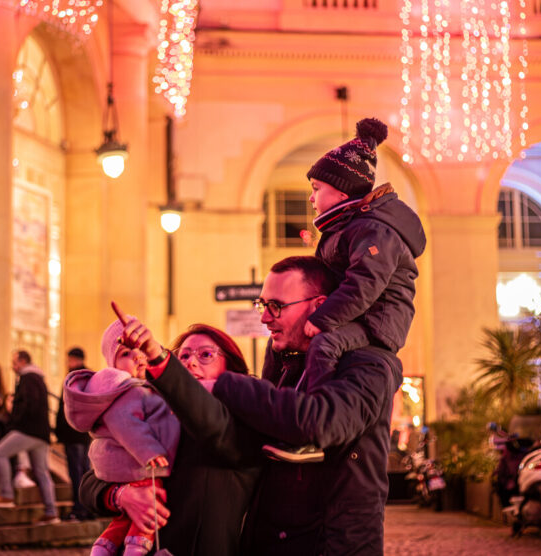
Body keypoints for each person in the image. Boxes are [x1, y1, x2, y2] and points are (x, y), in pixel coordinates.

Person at [120, 256, 402, 556]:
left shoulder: (369, 365)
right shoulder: (285, 363)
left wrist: (220, 384)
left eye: (276, 306)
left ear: (318, 306)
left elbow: (321, 422)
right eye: (262, 305)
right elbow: (106, 461)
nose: (265, 318)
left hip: (329, 545)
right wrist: (118, 493)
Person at [263, 117, 425, 462]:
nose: (311, 197)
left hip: (377, 322)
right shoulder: (345, 229)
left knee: (323, 344)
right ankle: (271, 407)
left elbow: (365, 284)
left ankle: (313, 430)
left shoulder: (373, 230)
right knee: (280, 347)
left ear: (341, 191)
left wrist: (322, 319)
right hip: (359, 316)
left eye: (317, 188)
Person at [79, 322, 259, 556]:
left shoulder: (241, 423)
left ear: (230, 369)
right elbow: (91, 481)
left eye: (206, 355)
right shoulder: (156, 420)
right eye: (182, 356)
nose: (190, 362)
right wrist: (122, 495)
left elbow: (210, 423)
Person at [64, 321, 180, 556]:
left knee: (126, 516)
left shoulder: (144, 389)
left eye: (141, 350)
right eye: (126, 353)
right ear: (113, 365)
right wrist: (150, 452)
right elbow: (125, 423)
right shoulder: (130, 391)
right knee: (149, 503)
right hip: (140, 467)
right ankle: (137, 545)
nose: (138, 357)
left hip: (125, 468)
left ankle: (104, 545)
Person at [0, 350, 59, 525]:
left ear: (23, 361)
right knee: (41, 472)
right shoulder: (38, 378)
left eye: (14, 362)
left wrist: (15, 422)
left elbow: (28, 404)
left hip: (28, 430)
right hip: (41, 433)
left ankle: (7, 495)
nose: (12, 366)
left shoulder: (28, 377)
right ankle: (51, 512)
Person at [55, 346, 92, 521]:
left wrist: (59, 430)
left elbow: (67, 407)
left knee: (77, 473)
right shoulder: (89, 377)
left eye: (69, 359)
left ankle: (79, 509)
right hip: (85, 433)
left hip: (74, 433)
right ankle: (88, 508)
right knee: (85, 472)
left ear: (75, 359)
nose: (67, 363)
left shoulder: (75, 378)